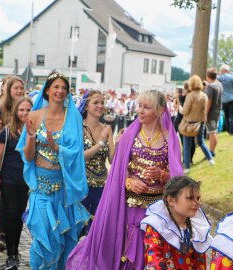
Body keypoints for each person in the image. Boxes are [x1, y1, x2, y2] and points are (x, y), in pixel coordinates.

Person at [67, 89, 183, 270]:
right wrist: (129, 182)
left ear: (160, 111)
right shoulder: (130, 134)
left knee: (152, 253)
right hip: (130, 207)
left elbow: (177, 174)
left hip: (157, 209)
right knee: (127, 250)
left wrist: (163, 175)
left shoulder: (171, 137)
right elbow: (118, 171)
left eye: (147, 107)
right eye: (140, 106)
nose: (140, 111)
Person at [17, 72, 90, 270]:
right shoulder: (34, 115)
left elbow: (76, 153)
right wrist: (31, 138)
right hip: (40, 188)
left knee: (63, 240)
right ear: (47, 90)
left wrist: (56, 147)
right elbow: (29, 157)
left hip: (64, 189)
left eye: (63, 88)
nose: (60, 91)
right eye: (56, 87)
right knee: (43, 236)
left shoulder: (72, 117)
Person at [141, 176, 212, 269]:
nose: (197, 203)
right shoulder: (158, 226)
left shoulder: (195, 229)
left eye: (198, 198)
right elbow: (153, 261)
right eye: (190, 198)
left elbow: (200, 263)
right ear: (171, 200)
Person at [0, 97, 32, 270]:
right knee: (10, 214)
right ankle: (11, 254)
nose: (24, 113)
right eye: (21, 110)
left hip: (25, 180)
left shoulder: (35, 131)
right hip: (8, 178)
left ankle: (15, 251)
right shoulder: (7, 131)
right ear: (16, 111)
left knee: (18, 216)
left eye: (28, 110)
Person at [78, 90, 114, 234]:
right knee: (79, 228)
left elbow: (112, 160)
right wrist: (100, 143)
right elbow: (79, 158)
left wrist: (118, 143)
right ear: (86, 106)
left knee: (97, 230)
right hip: (81, 186)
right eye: (95, 102)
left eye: (102, 103)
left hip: (101, 187)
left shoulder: (107, 128)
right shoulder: (78, 127)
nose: (100, 106)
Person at [179, 75, 214, 173]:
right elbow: (204, 111)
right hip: (200, 122)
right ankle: (210, 159)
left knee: (186, 146)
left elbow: (185, 111)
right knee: (201, 142)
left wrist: (180, 109)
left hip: (189, 124)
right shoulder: (204, 96)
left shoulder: (190, 96)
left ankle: (187, 167)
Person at [205, 67, 223, 157]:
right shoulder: (219, 84)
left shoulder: (210, 86)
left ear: (208, 76)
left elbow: (209, 101)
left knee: (212, 132)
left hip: (211, 111)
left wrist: (205, 113)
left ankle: (211, 152)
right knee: (214, 131)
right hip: (218, 110)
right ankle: (212, 151)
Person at [218, 64, 233, 135]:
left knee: (226, 116)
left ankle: (227, 130)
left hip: (223, 100)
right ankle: (231, 131)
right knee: (231, 116)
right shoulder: (231, 77)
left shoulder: (218, 78)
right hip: (231, 98)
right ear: (226, 70)